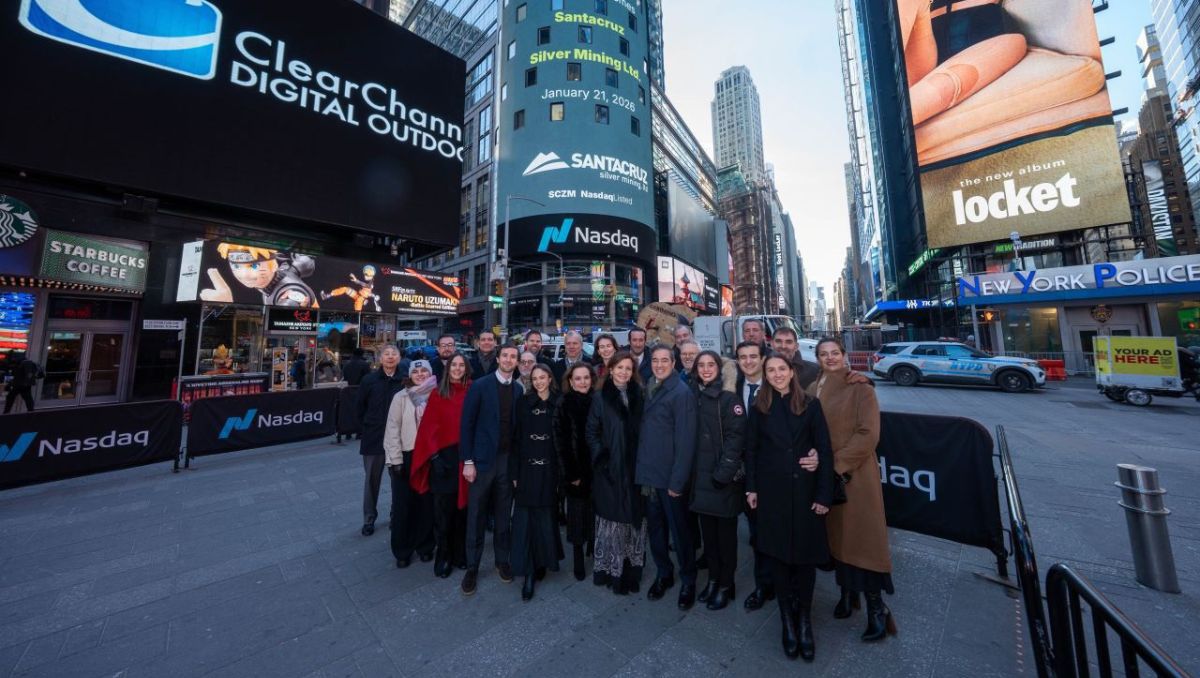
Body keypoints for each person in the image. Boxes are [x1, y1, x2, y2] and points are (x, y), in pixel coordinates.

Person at [746, 355, 835, 662]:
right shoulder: (759, 407)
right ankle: (787, 620)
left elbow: (824, 450)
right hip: (772, 495)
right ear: (765, 375)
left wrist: (824, 495)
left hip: (806, 493)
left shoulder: (811, 405)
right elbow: (752, 450)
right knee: (779, 559)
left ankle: (805, 621)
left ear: (791, 372)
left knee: (806, 561)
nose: (777, 374)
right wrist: (752, 488)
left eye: (781, 369)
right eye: (771, 370)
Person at [809, 338, 895, 642]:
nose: (830, 358)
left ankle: (877, 610)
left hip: (853, 478)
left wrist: (836, 465)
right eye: (823, 354)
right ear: (817, 358)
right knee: (838, 540)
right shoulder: (812, 386)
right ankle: (848, 595)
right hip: (824, 478)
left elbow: (868, 434)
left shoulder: (860, 387)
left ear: (844, 356)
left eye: (835, 353)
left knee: (862, 542)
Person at [637, 345, 699, 610]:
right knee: (656, 530)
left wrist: (677, 481)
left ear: (674, 363)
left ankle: (688, 579)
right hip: (650, 475)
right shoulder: (649, 385)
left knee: (680, 532)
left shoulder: (681, 392)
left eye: (665, 360)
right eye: (655, 361)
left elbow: (686, 442)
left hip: (670, 479)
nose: (659, 365)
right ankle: (664, 573)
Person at [459, 344, 523, 595]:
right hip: (482, 462)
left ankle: (502, 560)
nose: (509, 360)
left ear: (517, 361)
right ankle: (472, 566)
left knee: (503, 514)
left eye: (513, 357)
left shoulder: (518, 390)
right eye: (505, 355)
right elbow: (467, 425)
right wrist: (468, 461)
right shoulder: (480, 386)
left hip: (506, 463)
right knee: (476, 516)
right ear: (498, 358)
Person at [688, 351, 747, 611]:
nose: (706, 369)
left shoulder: (729, 399)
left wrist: (722, 475)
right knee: (709, 539)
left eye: (711, 364)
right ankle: (713, 579)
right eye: (701, 365)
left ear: (719, 368)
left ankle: (726, 584)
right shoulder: (692, 396)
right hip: (699, 482)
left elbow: (736, 440)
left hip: (721, 482)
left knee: (726, 539)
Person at [586, 351, 647, 595]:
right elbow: (591, 432)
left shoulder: (639, 396)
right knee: (612, 521)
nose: (623, 372)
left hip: (635, 469)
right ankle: (612, 571)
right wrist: (602, 460)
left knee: (634, 520)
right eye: (619, 367)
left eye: (628, 368)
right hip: (610, 470)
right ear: (610, 369)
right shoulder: (600, 398)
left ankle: (632, 571)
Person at [411, 352, 471, 577]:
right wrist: (434, 458)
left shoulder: (472, 390)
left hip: (465, 458)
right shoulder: (437, 393)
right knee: (442, 513)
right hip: (442, 460)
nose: (457, 368)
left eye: (461, 365)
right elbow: (428, 429)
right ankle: (443, 555)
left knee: (462, 510)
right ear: (448, 368)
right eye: (453, 365)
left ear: (466, 368)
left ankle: (459, 553)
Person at [510, 363, 563, 600]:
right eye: (535, 378)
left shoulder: (560, 402)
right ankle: (528, 572)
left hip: (550, 472)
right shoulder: (523, 402)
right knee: (525, 522)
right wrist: (514, 473)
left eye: (543, 377)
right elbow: (515, 439)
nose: (540, 381)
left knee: (545, 519)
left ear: (550, 379)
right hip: (526, 471)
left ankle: (543, 562)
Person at [382, 359, 437, 568]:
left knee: (425, 504)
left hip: (429, 457)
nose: (421, 374)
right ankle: (402, 549)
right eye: (417, 371)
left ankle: (425, 545)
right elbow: (392, 428)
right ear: (410, 374)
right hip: (406, 455)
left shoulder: (436, 394)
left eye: (425, 371)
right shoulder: (401, 397)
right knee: (403, 504)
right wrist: (395, 459)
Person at [354, 345, 407, 536]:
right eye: (387, 354)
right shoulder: (369, 380)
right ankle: (369, 519)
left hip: (398, 440)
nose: (390, 357)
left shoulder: (405, 380)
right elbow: (359, 408)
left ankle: (396, 516)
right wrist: (368, 426)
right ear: (380, 358)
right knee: (371, 481)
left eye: (394, 354)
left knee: (398, 481)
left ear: (399, 358)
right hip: (373, 438)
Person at [556, 362, 596, 580]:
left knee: (593, 512)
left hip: (595, 470)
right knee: (577, 516)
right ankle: (579, 557)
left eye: (586, 378)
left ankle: (593, 546)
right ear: (570, 381)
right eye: (578, 379)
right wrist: (571, 474)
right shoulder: (564, 403)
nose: (582, 382)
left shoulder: (597, 401)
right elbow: (559, 442)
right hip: (575, 472)